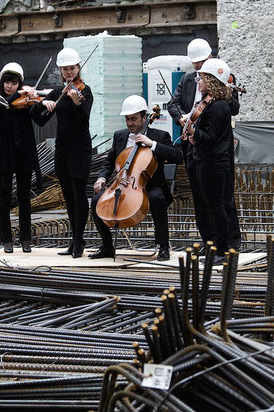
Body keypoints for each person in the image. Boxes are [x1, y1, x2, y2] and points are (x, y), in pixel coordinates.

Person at [167, 38, 242, 249]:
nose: (198, 69)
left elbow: (234, 107)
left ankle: (230, 241)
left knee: (223, 197)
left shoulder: (223, 76)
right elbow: (173, 103)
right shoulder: (188, 79)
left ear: (210, 57)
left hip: (215, 145)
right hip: (193, 143)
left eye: (201, 63)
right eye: (196, 65)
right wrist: (183, 118)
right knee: (200, 195)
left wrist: (220, 92)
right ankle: (209, 240)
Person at [89, 95, 182, 261]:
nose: (130, 123)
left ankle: (163, 245)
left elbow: (177, 156)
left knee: (156, 198)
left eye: (134, 119)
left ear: (144, 117)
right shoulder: (120, 136)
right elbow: (110, 162)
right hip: (124, 183)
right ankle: (107, 246)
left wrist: (152, 144)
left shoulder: (160, 136)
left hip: (151, 184)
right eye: (127, 119)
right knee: (96, 200)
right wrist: (102, 178)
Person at [32, 47, 94, 258]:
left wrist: (77, 103)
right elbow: (39, 119)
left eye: (72, 68)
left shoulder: (85, 91)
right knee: (68, 197)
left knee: (79, 196)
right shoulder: (58, 93)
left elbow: (83, 121)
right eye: (65, 69)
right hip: (63, 150)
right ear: (60, 70)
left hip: (80, 149)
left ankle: (79, 241)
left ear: (78, 68)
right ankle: (74, 239)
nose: (69, 73)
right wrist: (41, 103)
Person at [0, 62, 43, 253]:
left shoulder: (25, 103)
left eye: (13, 83)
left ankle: (26, 239)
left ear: (20, 83)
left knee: (24, 197)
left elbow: (41, 119)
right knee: (4, 197)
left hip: (23, 154)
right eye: (6, 82)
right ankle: (7, 240)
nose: (9, 86)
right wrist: (17, 95)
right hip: (4, 154)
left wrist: (47, 103)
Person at [187, 58, 236, 263]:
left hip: (214, 162)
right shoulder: (212, 102)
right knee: (211, 207)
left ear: (212, 80)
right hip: (206, 159)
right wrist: (195, 135)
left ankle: (222, 250)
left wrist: (194, 132)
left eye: (203, 78)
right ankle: (217, 247)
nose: (199, 81)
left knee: (216, 207)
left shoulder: (217, 107)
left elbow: (211, 137)